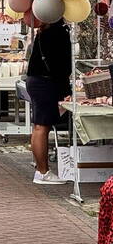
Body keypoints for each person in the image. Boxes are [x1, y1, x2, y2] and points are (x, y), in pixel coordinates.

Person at [26, 19, 72, 185]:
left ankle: (41, 168)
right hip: (46, 82)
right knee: (41, 126)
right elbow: (61, 64)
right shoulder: (57, 32)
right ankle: (42, 171)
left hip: (38, 80)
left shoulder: (44, 31)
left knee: (39, 126)